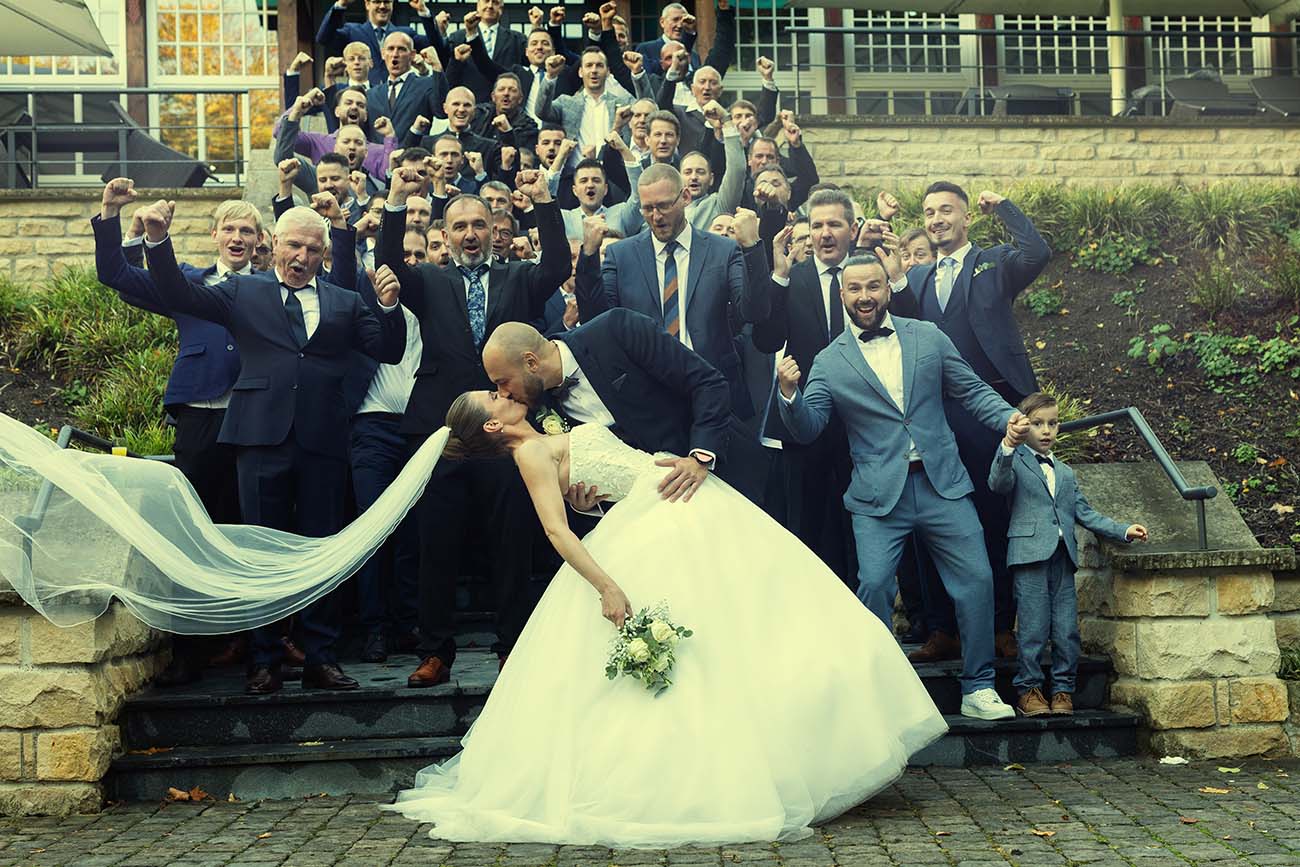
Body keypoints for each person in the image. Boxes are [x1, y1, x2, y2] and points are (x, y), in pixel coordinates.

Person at [383, 314, 947, 846]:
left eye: (501, 383)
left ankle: (808, 750)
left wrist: (695, 457)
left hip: (693, 487)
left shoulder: (614, 334)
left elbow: (707, 383)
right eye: (495, 393)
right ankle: (714, 774)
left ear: (531, 362)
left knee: (766, 614)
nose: (502, 391)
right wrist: (595, 536)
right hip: (653, 522)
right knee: (706, 642)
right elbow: (558, 523)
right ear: (492, 422)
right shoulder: (535, 426)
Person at [134, 192, 408, 695]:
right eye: (293, 246)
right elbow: (179, 294)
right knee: (258, 551)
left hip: (324, 440)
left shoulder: (345, 301)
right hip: (259, 437)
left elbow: (388, 350)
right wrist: (157, 240)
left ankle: (321, 658)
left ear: (324, 254)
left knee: (322, 551)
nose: (301, 257)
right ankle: (263, 660)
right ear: (273, 243)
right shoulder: (243, 290)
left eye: (312, 249)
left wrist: (389, 307)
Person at [776, 254, 1023, 721]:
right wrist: (789, 395)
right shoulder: (829, 361)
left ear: (887, 289)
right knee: (872, 585)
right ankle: (882, 691)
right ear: (843, 295)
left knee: (977, 581)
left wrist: (1008, 418)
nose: (865, 296)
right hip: (877, 495)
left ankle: (979, 687)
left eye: (873, 286)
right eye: (855, 289)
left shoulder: (927, 336)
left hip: (942, 483)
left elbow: (971, 390)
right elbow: (809, 427)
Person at [377, 166, 570, 686]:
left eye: (479, 224)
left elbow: (557, 264)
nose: (470, 234)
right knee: (436, 543)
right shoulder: (428, 281)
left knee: (511, 542)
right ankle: (436, 652)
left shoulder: (519, 278)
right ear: (444, 235)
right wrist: (395, 200)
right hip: (443, 433)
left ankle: (512, 648)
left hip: (507, 434)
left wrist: (544, 200)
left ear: (494, 229)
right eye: (459, 226)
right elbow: (388, 262)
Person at [885, 182, 1051, 664]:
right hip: (933, 417)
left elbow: (1037, 253)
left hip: (992, 412)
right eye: (929, 212)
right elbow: (901, 328)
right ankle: (943, 630)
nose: (936, 219)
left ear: (965, 218)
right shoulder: (916, 278)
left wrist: (1004, 208)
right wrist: (895, 278)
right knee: (932, 520)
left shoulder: (994, 264)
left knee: (995, 517)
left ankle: (1000, 628)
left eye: (946, 210)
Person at [989, 392, 1148, 717]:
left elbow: (1085, 513)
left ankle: (1063, 689)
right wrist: (1006, 446)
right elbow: (998, 484)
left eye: (1053, 423)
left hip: (1063, 558)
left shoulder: (1065, 472)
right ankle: (1029, 690)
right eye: (1037, 424)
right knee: (1033, 628)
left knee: (1066, 630)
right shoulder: (1014, 460)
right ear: (1024, 426)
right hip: (1029, 555)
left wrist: (1122, 530)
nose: (1046, 430)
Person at [579, 163, 768, 422]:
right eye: (647, 208)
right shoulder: (620, 255)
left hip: (714, 391)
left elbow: (755, 312)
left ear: (685, 197)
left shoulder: (722, 250)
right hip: (649, 397)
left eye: (664, 206)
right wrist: (589, 255)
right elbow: (595, 321)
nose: (656, 216)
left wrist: (752, 248)